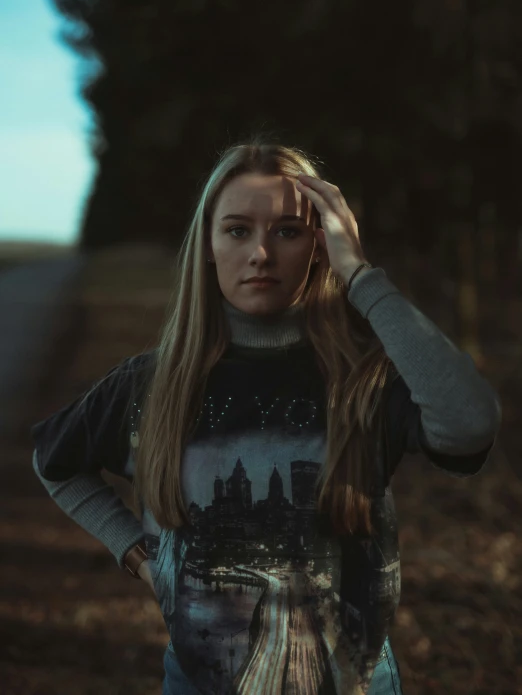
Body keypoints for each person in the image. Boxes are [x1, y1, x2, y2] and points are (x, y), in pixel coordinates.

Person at [31, 140, 502, 694]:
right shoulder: (153, 384)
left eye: (287, 230)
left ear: (320, 244)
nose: (261, 253)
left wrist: (361, 276)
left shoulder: (364, 380)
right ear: (208, 245)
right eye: (237, 230)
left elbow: (471, 423)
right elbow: (55, 460)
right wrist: (138, 554)